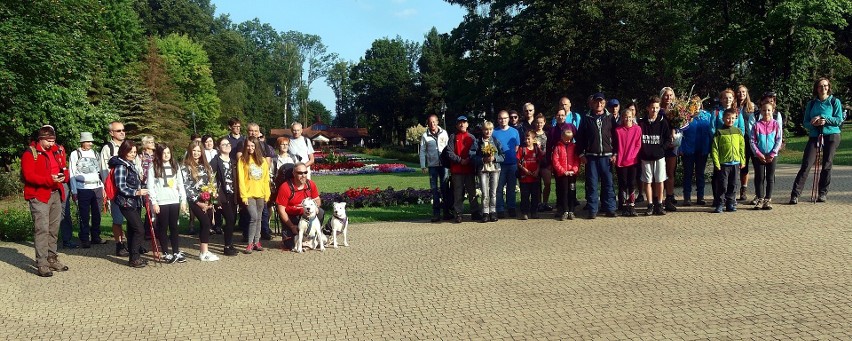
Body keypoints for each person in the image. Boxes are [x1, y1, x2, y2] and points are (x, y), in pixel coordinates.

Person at [22, 126, 70, 277]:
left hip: (56, 192)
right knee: (42, 229)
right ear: (40, 139)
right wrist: (49, 180)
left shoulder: (57, 151)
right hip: (39, 195)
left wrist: (64, 176)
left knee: (54, 228)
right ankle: (42, 263)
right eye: (48, 141)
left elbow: (64, 168)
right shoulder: (30, 154)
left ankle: (52, 257)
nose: (51, 143)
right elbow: (29, 176)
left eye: (53, 140)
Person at [790, 77, 844, 204]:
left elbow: (839, 119)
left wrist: (824, 118)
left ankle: (822, 193)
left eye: (825, 86)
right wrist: (813, 123)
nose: (823, 88)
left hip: (831, 135)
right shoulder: (812, 103)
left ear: (829, 87)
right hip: (815, 135)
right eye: (820, 86)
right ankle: (795, 194)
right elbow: (805, 122)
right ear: (816, 88)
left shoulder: (834, 101)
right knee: (806, 164)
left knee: (827, 164)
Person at [576, 92, 618, 219]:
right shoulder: (586, 118)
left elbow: (616, 137)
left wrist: (615, 153)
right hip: (591, 157)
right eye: (596, 102)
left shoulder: (610, 117)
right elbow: (580, 138)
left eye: (601, 102)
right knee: (592, 184)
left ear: (604, 103)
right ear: (592, 103)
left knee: (608, 184)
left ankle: (609, 208)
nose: (599, 104)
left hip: (607, 156)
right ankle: (592, 209)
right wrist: (581, 153)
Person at [108, 140, 149, 268]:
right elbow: (121, 186)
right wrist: (137, 192)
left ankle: (133, 257)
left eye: (135, 152)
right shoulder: (121, 166)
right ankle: (135, 257)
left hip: (135, 202)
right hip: (126, 202)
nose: (133, 154)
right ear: (124, 151)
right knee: (139, 229)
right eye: (130, 152)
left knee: (132, 229)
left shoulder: (130, 164)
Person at [147, 143, 187, 264]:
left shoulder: (175, 165)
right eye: (164, 153)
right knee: (163, 227)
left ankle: (175, 251)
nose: (166, 155)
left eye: (168, 153)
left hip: (174, 200)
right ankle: (165, 252)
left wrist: (183, 200)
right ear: (159, 154)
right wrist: (154, 202)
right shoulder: (153, 166)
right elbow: (150, 186)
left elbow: (180, 183)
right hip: (161, 201)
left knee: (174, 227)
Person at [181, 141, 219, 261]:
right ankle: (203, 252)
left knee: (207, 224)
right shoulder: (185, 167)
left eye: (198, 151)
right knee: (205, 223)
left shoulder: (206, 166)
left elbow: (212, 181)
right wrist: (198, 202)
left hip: (207, 199)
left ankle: (205, 250)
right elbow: (186, 186)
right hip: (195, 200)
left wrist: (212, 198)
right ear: (190, 151)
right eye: (194, 151)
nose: (196, 153)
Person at [69, 132, 107, 248]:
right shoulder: (75, 154)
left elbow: (100, 171)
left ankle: (96, 236)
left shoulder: (95, 153)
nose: (90, 144)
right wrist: (74, 191)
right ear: (82, 142)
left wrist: (103, 187)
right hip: (83, 188)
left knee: (97, 214)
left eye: (91, 141)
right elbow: (72, 172)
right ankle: (84, 238)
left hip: (96, 187)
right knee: (84, 214)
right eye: (87, 141)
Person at [276, 163, 323, 249]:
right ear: (294, 173)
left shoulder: (310, 184)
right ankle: (292, 238)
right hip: (291, 217)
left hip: (306, 216)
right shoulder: (285, 187)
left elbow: (317, 200)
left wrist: (316, 207)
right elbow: (281, 210)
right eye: (300, 173)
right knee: (291, 245)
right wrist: (291, 226)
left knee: (320, 212)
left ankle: (313, 236)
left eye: (305, 172)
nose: (303, 175)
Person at [638, 96, 672, 216]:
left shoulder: (663, 122)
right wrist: (642, 150)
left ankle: (659, 204)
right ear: (648, 108)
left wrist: (661, 149)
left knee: (659, 180)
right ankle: (650, 204)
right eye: (652, 107)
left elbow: (668, 139)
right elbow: (637, 138)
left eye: (657, 108)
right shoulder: (641, 122)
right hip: (645, 157)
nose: (654, 110)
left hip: (659, 156)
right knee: (647, 181)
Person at [101, 121, 129, 256]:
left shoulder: (128, 146)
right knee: (118, 219)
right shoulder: (108, 148)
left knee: (132, 218)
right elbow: (104, 171)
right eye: (118, 130)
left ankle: (134, 244)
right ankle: (119, 244)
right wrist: (108, 190)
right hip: (116, 190)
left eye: (123, 130)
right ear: (111, 133)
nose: (122, 132)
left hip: (130, 190)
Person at [238, 137, 271, 254]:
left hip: (261, 194)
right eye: (248, 146)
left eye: (253, 146)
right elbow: (241, 179)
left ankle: (257, 242)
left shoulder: (262, 161)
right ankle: (250, 243)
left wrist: (267, 194)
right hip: (249, 194)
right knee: (253, 217)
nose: (250, 148)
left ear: (257, 147)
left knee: (259, 218)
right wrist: (244, 196)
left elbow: (266, 179)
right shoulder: (242, 160)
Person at [680, 96, 713, 206]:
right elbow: (680, 133)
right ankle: (687, 197)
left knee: (700, 174)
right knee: (688, 174)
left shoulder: (707, 116)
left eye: (697, 103)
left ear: (701, 104)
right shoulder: (686, 116)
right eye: (693, 103)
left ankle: (700, 197)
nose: (696, 105)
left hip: (702, 149)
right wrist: (681, 148)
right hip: (688, 149)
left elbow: (711, 132)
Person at [446, 115, 480, 223]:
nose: (462, 124)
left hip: (469, 169)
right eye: (460, 122)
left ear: (467, 124)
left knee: (472, 192)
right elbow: (449, 152)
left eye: (464, 122)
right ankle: (458, 213)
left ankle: (475, 212)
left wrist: (469, 160)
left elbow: (476, 152)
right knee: (458, 193)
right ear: (457, 125)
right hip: (457, 170)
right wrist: (460, 160)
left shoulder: (472, 137)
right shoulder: (453, 137)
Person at [711, 108, 746, 213]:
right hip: (723, 164)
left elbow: (741, 147)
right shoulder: (719, 132)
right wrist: (716, 163)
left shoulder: (738, 132)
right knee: (722, 185)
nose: (730, 120)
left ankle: (730, 203)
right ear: (723, 118)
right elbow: (715, 149)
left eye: (732, 118)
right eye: (728, 118)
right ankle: (720, 203)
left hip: (735, 163)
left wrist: (742, 160)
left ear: (735, 118)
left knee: (733, 184)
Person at [418, 114, 451, 223]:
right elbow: (422, 151)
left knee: (445, 188)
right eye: (430, 122)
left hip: (444, 165)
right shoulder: (425, 136)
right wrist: (423, 165)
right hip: (432, 166)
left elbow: (448, 148)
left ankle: (446, 212)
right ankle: (436, 214)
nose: (432, 124)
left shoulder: (444, 133)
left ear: (437, 122)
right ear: (428, 123)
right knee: (434, 190)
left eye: (434, 121)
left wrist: (450, 163)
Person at [209, 137, 239, 256]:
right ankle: (226, 247)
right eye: (223, 144)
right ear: (218, 147)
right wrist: (215, 198)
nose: (226, 146)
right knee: (230, 219)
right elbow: (211, 178)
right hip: (222, 195)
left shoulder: (233, 161)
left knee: (232, 221)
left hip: (233, 195)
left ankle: (230, 244)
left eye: (228, 144)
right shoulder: (215, 161)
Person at [751, 102, 783, 210]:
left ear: (773, 111)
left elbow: (779, 140)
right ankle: (760, 198)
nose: (766, 112)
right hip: (759, 156)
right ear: (761, 111)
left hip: (772, 155)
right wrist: (758, 154)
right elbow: (752, 141)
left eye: (769, 110)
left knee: (770, 177)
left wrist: (773, 153)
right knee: (759, 177)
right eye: (764, 110)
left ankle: (768, 199)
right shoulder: (756, 125)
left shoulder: (776, 124)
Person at [474, 121, 505, 222]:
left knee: (493, 192)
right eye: (486, 129)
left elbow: (503, 155)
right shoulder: (478, 142)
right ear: (483, 130)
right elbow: (472, 156)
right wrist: (482, 160)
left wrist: (494, 158)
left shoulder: (496, 141)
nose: (488, 131)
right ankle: (485, 212)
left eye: (490, 129)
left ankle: (493, 211)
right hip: (483, 170)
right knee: (484, 192)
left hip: (495, 169)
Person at [493, 110, 520, 218]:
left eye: (505, 118)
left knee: (511, 188)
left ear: (508, 119)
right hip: (499, 164)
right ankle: (500, 208)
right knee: (499, 188)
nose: (503, 120)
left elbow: (517, 147)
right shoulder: (494, 132)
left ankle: (511, 207)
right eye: (500, 118)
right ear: (498, 119)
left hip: (512, 164)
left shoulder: (514, 132)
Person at [615, 107, 642, 217]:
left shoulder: (637, 129)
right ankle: (624, 206)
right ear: (622, 118)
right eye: (625, 117)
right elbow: (615, 146)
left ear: (633, 117)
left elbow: (638, 145)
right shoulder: (618, 130)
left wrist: (631, 156)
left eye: (630, 117)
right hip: (621, 162)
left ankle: (632, 205)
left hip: (633, 161)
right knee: (623, 184)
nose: (627, 119)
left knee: (632, 183)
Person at [551, 128, 580, 220]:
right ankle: (565, 210)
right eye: (566, 138)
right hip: (563, 174)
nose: (568, 140)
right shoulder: (558, 147)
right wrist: (563, 171)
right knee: (564, 192)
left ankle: (571, 210)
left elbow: (577, 160)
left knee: (572, 192)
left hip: (572, 174)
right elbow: (555, 161)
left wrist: (574, 170)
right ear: (562, 137)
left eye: (569, 139)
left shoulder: (574, 147)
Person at [659, 87, 680, 212]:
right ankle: (659, 199)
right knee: (661, 174)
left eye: (671, 95)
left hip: (673, 145)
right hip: (661, 145)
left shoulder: (677, 110)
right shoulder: (658, 110)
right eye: (666, 95)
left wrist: (676, 135)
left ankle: (669, 197)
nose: (668, 98)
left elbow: (682, 126)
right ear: (662, 96)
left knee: (670, 172)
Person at [735, 85, 757, 201]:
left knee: (757, 166)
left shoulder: (752, 107)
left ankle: (758, 193)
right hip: (738, 141)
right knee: (743, 166)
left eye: (743, 92)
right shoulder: (733, 107)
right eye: (739, 92)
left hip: (751, 140)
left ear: (747, 93)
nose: (741, 94)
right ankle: (742, 191)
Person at [516, 130, 543, 220]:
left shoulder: (536, 149)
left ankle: (534, 212)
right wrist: (525, 170)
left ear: (533, 139)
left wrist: (537, 171)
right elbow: (519, 163)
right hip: (524, 178)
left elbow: (539, 161)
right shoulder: (521, 149)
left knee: (535, 196)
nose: (527, 141)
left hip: (535, 177)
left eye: (529, 139)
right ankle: (524, 212)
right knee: (525, 196)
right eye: (525, 139)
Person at [531, 114, 553, 212]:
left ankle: (545, 202)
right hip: (534, 163)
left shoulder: (548, 134)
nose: (539, 124)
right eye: (537, 122)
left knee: (547, 183)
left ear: (544, 122)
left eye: (541, 122)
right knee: (536, 185)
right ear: (534, 123)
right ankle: (538, 203)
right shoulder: (531, 134)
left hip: (545, 162)